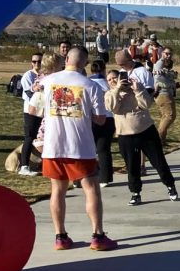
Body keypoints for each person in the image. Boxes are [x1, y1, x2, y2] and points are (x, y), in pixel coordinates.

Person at [39, 46, 116, 251]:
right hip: (80, 146)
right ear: (85, 63)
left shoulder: (49, 81)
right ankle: (98, 235)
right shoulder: (91, 86)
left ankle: (60, 236)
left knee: (57, 190)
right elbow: (100, 119)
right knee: (91, 190)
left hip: (53, 146)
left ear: (66, 58)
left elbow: (35, 93)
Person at [105, 68, 178, 204]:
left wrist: (138, 90)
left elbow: (146, 104)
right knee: (132, 166)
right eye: (109, 80)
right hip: (125, 135)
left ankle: (170, 186)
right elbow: (112, 108)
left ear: (122, 77)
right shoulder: (110, 94)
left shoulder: (136, 87)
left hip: (146, 131)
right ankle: (135, 193)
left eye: (115, 77)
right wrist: (117, 90)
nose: (112, 81)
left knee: (159, 162)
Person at [88, 58, 115, 187]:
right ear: (104, 70)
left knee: (87, 149)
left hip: (91, 118)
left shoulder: (87, 83)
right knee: (104, 149)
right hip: (108, 118)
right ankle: (105, 178)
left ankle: (80, 177)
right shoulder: (108, 84)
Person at [17, 49, 45, 175]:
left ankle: (43, 164)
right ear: (31, 63)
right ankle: (24, 166)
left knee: (43, 137)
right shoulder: (28, 76)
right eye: (34, 61)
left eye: (39, 61)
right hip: (31, 111)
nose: (37, 64)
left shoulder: (46, 75)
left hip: (43, 111)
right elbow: (29, 93)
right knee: (30, 137)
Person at [153, 48, 180, 146]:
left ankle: (162, 141)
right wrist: (172, 84)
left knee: (166, 116)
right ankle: (158, 139)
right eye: (167, 53)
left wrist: (173, 78)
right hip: (163, 93)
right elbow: (158, 78)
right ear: (162, 53)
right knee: (170, 116)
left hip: (165, 93)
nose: (168, 56)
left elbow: (166, 76)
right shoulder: (159, 63)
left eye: (170, 54)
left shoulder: (165, 63)